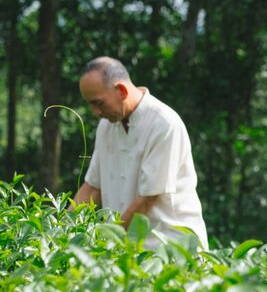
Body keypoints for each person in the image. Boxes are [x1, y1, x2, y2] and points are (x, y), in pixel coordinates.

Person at [72, 57, 208, 249]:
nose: (95, 112)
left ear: (122, 91)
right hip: (128, 245)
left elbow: (147, 200)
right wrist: (59, 232)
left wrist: (105, 244)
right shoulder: (106, 126)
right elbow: (93, 188)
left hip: (173, 246)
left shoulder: (164, 124)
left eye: (99, 103)